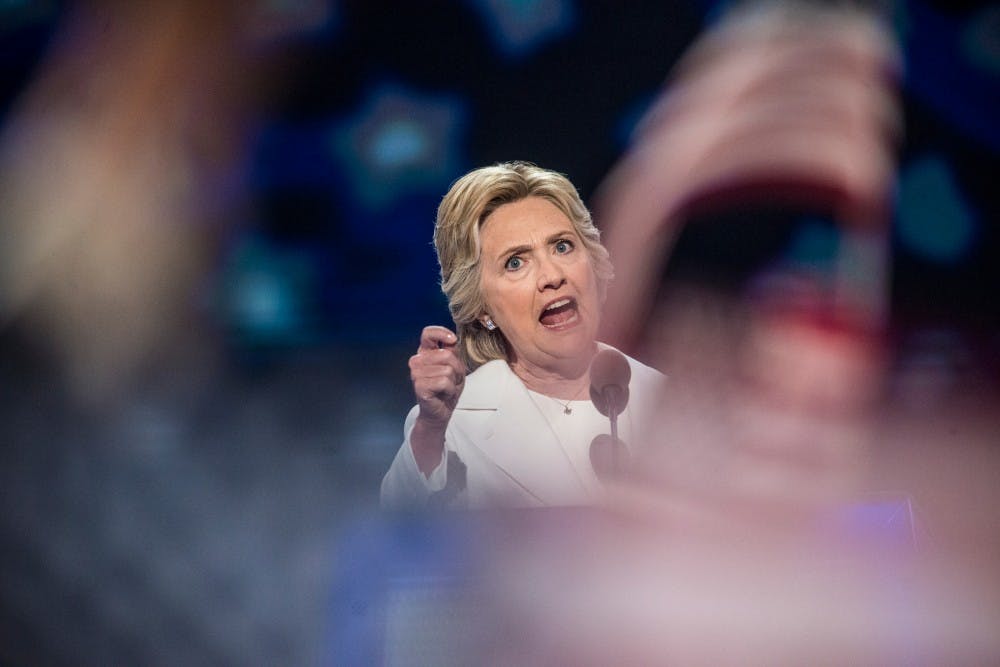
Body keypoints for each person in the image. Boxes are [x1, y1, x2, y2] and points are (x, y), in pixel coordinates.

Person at [381, 161, 665, 509]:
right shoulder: (452, 425)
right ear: (481, 308)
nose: (551, 276)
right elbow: (400, 530)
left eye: (562, 246)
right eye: (515, 262)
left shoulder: (668, 400)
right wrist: (429, 430)